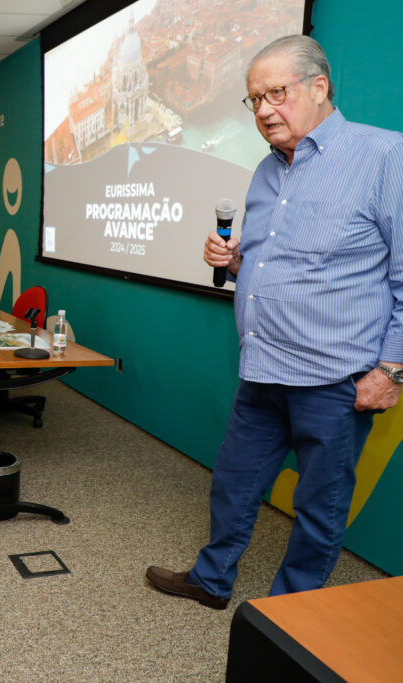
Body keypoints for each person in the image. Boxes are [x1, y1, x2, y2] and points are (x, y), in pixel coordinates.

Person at [146, 35, 403, 607]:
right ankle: (212, 581)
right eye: (254, 99)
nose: (264, 110)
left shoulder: (386, 157)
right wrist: (235, 263)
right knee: (233, 486)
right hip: (263, 369)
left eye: (276, 93)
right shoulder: (266, 171)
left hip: (336, 382)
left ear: (319, 87)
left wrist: (392, 370)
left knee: (319, 507)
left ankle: (291, 612)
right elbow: (280, 265)